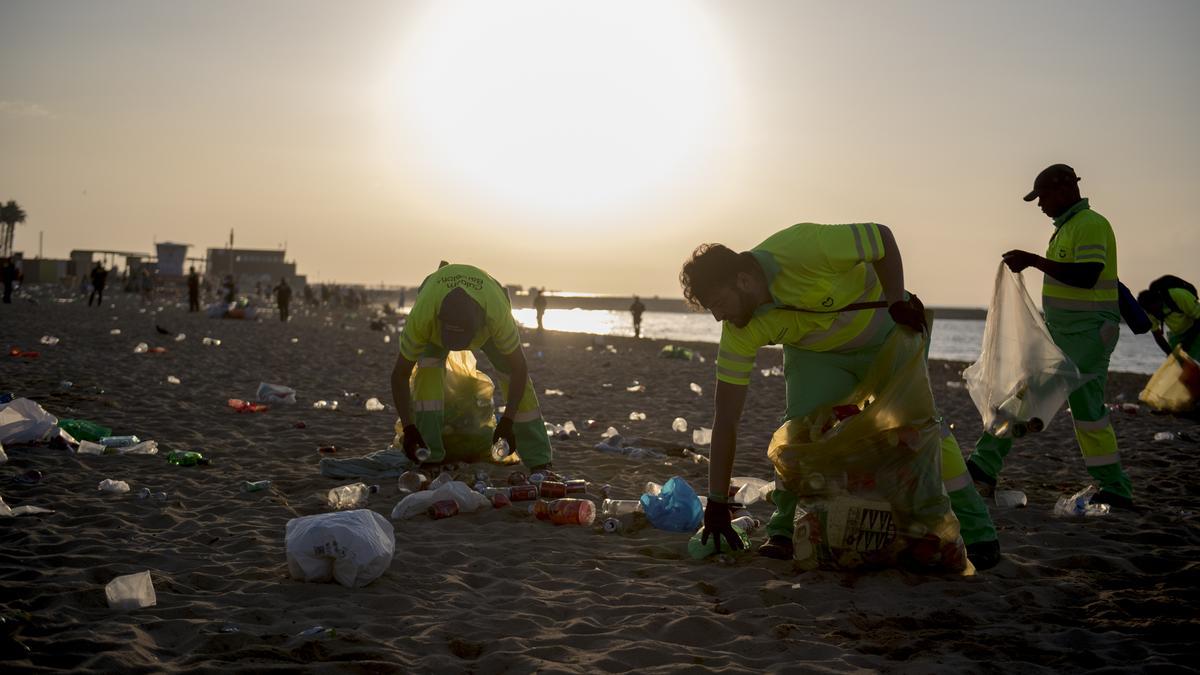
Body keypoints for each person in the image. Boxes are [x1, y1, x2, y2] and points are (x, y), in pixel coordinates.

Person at [680, 222, 1000, 569]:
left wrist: (896, 300)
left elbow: (882, 238)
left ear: (742, 280)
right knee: (799, 431)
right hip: (817, 355)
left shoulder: (804, 248)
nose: (717, 317)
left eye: (718, 304)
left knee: (921, 426)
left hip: (884, 334)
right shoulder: (739, 329)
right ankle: (783, 530)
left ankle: (979, 532)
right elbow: (726, 418)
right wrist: (715, 503)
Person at [968, 164, 1134, 509]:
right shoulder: (1068, 228)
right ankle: (1115, 488)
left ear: (1064, 189)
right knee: (1089, 414)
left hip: (1086, 334)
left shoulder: (1090, 225)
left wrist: (1034, 261)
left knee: (1024, 393)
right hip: (1074, 335)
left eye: (1041, 197)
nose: (1040, 205)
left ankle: (983, 467)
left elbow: (1088, 276)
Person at [390, 263, 554, 471]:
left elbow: (520, 369)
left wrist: (507, 421)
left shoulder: (497, 315)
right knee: (427, 373)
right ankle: (430, 454)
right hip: (434, 329)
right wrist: (409, 427)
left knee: (511, 375)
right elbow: (400, 374)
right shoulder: (423, 316)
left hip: (485, 317)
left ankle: (539, 459)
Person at [1137, 276, 1200, 357]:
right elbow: (1157, 336)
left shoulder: (1178, 296)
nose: (1155, 314)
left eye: (1156, 310)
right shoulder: (1149, 311)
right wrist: (1171, 355)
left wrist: (1189, 341)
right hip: (1177, 334)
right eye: (1151, 312)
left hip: (1196, 328)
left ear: (1159, 300)